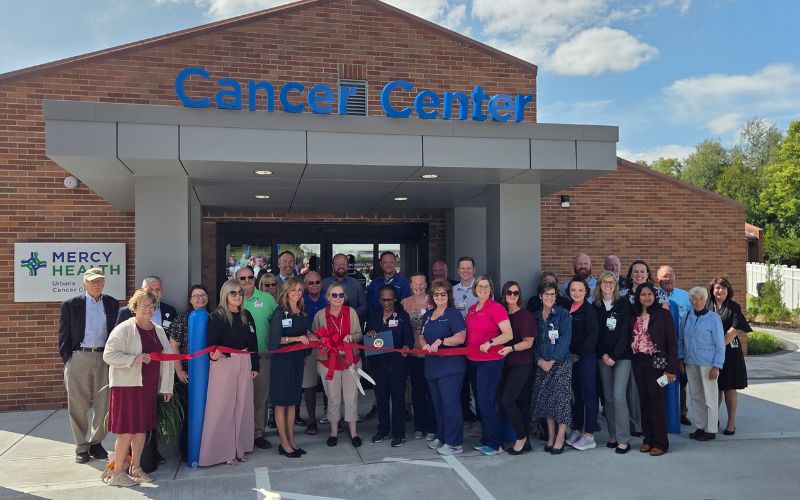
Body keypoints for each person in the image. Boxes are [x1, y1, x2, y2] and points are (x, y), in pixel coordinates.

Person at [103, 289, 173, 487]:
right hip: (127, 387)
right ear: (134, 307)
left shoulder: (158, 330)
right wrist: (134, 359)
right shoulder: (124, 329)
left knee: (142, 430)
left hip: (147, 387)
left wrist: (167, 387)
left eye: (152, 306)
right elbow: (108, 355)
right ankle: (117, 473)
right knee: (127, 431)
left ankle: (136, 468)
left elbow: (167, 359)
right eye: (144, 305)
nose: (148, 309)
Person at [58, 268, 119, 464]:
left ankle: (96, 443)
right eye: (92, 281)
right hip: (79, 356)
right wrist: (68, 359)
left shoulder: (111, 303)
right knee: (78, 403)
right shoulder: (71, 304)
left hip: (104, 357)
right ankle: (81, 446)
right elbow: (63, 333)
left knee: (104, 403)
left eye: (100, 281)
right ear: (84, 284)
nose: (96, 285)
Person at [199, 279, 259, 466]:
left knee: (243, 405)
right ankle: (222, 453)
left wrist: (255, 366)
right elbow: (212, 343)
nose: (237, 296)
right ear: (225, 294)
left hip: (245, 361)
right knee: (222, 407)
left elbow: (253, 342)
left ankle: (239, 448)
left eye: (240, 292)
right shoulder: (217, 316)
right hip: (225, 363)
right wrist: (215, 355)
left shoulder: (247, 315)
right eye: (233, 292)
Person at [311, 283, 364, 447]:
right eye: (334, 295)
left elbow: (359, 334)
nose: (338, 298)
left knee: (351, 398)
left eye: (341, 295)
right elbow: (314, 335)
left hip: (350, 361)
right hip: (328, 363)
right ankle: (333, 432)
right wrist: (323, 341)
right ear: (328, 297)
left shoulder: (351, 312)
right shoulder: (320, 315)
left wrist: (351, 338)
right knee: (333, 398)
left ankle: (354, 433)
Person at [465, 275, 513, 456]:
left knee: (487, 401)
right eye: (480, 286)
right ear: (475, 289)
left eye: (486, 286)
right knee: (479, 400)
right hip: (473, 360)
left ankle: (495, 443)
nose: (483, 289)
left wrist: (491, 342)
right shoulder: (472, 309)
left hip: (490, 361)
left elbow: (508, 334)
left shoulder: (496, 308)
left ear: (491, 289)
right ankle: (486, 437)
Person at [420, 279, 467, 456]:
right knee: (438, 404)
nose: (439, 297)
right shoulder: (428, 315)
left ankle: (454, 443)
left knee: (450, 404)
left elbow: (461, 337)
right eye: (436, 294)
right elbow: (422, 336)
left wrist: (442, 341)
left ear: (448, 296)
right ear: (432, 296)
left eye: (443, 294)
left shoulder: (453, 313)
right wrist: (424, 344)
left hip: (450, 367)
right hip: (432, 366)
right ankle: (442, 437)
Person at [630, 283, 678, 456]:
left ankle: (661, 442)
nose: (647, 297)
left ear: (655, 296)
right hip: (638, 362)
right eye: (643, 294)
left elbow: (672, 342)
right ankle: (648, 439)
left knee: (656, 403)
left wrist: (671, 369)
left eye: (650, 294)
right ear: (638, 297)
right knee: (644, 402)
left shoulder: (663, 314)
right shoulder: (634, 315)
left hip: (657, 364)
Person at [165, 284, 210, 460]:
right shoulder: (182, 319)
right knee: (189, 412)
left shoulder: (212, 316)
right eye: (196, 296)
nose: (200, 298)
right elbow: (174, 346)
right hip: (187, 373)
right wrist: (180, 371)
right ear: (190, 300)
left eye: (203, 295)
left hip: (208, 372)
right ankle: (187, 451)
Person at [235, 266, 278, 450]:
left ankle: (258, 434)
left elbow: (278, 325)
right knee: (240, 398)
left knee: (261, 398)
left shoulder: (267, 299)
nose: (247, 281)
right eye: (242, 278)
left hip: (262, 357)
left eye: (250, 277)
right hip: (238, 360)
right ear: (236, 280)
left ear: (255, 279)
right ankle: (240, 434)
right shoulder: (232, 299)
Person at [269, 276, 311, 458]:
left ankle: (291, 440)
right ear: (286, 291)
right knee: (281, 403)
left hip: (297, 360)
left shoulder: (302, 311)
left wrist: (319, 338)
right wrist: (295, 339)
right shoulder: (280, 311)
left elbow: (306, 332)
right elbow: (275, 339)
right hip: (282, 361)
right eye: (293, 290)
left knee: (293, 401)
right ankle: (284, 443)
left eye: (299, 290)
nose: (296, 293)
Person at [367, 285, 414, 446]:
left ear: (395, 299)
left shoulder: (402, 316)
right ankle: (383, 430)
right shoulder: (374, 315)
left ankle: (399, 433)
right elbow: (368, 335)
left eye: (390, 299)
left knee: (398, 399)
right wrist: (370, 333)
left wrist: (407, 347)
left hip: (397, 364)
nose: (386, 302)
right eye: (383, 299)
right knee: (381, 398)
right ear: (379, 300)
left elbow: (409, 338)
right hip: (379, 364)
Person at [592, 271, 633, 454]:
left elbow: (625, 333)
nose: (608, 285)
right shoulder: (595, 306)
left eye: (612, 282)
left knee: (618, 396)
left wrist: (614, 356)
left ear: (616, 285)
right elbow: (595, 334)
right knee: (608, 398)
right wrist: (603, 355)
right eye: (605, 282)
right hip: (603, 357)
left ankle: (624, 439)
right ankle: (613, 435)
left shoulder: (623, 304)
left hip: (622, 357)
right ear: (599, 285)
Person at [531, 281, 573, 455]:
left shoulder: (563, 314)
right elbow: (532, 342)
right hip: (543, 365)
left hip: (561, 363)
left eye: (552, 294)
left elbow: (565, 339)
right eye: (546, 294)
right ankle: (551, 436)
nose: (550, 297)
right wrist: (539, 361)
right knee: (547, 402)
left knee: (561, 402)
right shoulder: (535, 317)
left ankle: (560, 438)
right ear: (540, 296)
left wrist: (553, 360)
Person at [679, 286, 725, 442]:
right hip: (690, 362)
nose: (697, 302)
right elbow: (681, 340)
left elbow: (720, 344)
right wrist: (680, 358)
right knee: (696, 396)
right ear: (690, 300)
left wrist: (716, 366)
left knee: (709, 397)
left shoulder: (713, 318)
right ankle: (700, 426)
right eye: (694, 298)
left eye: (701, 299)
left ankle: (710, 429)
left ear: (706, 300)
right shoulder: (686, 317)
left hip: (708, 364)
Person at [707, 276, 752, 435]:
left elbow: (735, 330)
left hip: (730, 352)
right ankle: (713, 419)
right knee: (715, 387)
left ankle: (731, 422)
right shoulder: (707, 306)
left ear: (728, 290)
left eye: (724, 288)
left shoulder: (734, 307)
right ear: (712, 290)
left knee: (729, 387)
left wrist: (718, 347)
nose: (720, 291)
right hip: (709, 352)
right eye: (717, 288)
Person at [497, 281, 537, 455]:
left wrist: (511, 348)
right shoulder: (501, 314)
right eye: (509, 292)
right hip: (505, 364)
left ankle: (520, 438)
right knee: (520, 402)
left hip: (522, 363)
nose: (512, 296)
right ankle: (526, 440)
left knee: (508, 400)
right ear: (504, 294)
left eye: (516, 293)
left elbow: (528, 342)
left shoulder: (525, 315)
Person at [565, 277, 600, 451]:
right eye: (573, 290)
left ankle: (589, 435)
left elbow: (592, 336)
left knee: (589, 396)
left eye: (580, 290)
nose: (577, 293)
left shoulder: (589, 310)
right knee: (577, 396)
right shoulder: (567, 309)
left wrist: (578, 355)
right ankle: (578, 429)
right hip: (570, 359)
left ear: (586, 291)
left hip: (585, 359)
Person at [401, 273, 437, 441]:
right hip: (414, 354)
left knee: (432, 391)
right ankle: (419, 426)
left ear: (426, 284)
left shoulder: (434, 300)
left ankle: (432, 427)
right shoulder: (405, 303)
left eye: (421, 283)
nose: (419, 287)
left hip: (432, 354)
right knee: (417, 391)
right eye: (415, 284)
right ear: (410, 285)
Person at [657, 265, 693, 426]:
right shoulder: (653, 295)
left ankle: (681, 412)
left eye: (671, 275)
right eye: (665, 276)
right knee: (661, 380)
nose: (668, 279)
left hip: (681, 346)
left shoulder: (685, 296)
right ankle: (662, 413)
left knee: (681, 380)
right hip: (660, 349)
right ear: (657, 279)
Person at [452, 256, 480, 426]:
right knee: (461, 379)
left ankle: (481, 418)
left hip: (477, 341)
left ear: (474, 269)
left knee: (477, 380)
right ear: (458, 270)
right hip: (459, 341)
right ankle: (465, 414)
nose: (465, 271)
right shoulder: (453, 291)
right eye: (462, 268)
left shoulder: (482, 288)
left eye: (469, 268)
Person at [302, 271, 327, 435]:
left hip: (327, 345)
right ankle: (311, 420)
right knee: (309, 384)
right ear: (305, 285)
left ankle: (331, 416)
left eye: (317, 282)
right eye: (311, 283)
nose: (314, 285)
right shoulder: (300, 301)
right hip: (309, 347)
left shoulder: (329, 299)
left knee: (329, 383)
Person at [321, 253, 368, 319]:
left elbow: (364, 306)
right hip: (328, 322)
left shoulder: (356, 284)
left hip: (351, 322)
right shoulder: (324, 284)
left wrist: (351, 315)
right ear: (332, 266)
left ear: (347, 265)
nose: (341, 266)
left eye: (344, 264)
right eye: (337, 264)